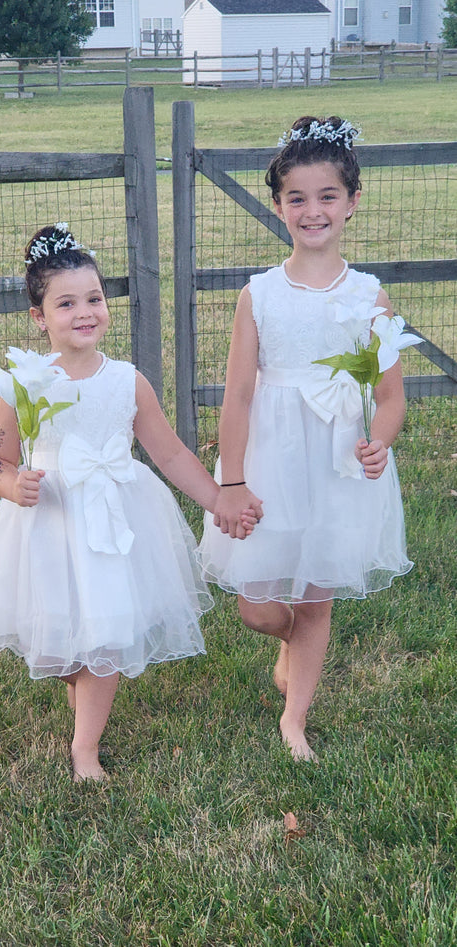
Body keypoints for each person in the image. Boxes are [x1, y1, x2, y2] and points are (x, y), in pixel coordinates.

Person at [0, 224, 256, 782]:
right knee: (62, 639)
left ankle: (85, 750)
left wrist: (219, 498)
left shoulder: (127, 381)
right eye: (67, 302)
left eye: (95, 299)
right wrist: (13, 486)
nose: (85, 312)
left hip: (114, 521)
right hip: (48, 522)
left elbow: (170, 455)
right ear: (39, 316)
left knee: (106, 633)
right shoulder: (24, 385)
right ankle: (80, 688)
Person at [197, 116, 413, 762]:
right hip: (269, 455)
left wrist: (378, 438)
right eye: (297, 197)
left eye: (326, 196)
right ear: (277, 205)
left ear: (351, 202)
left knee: (316, 593)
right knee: (258, 606)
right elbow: (237, 394)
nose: (311, 210)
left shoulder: (369, 296)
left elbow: (390, 394)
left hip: (336, 463)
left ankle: (295, 718)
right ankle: (285, 641)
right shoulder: (258, 295)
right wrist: (231, 479)